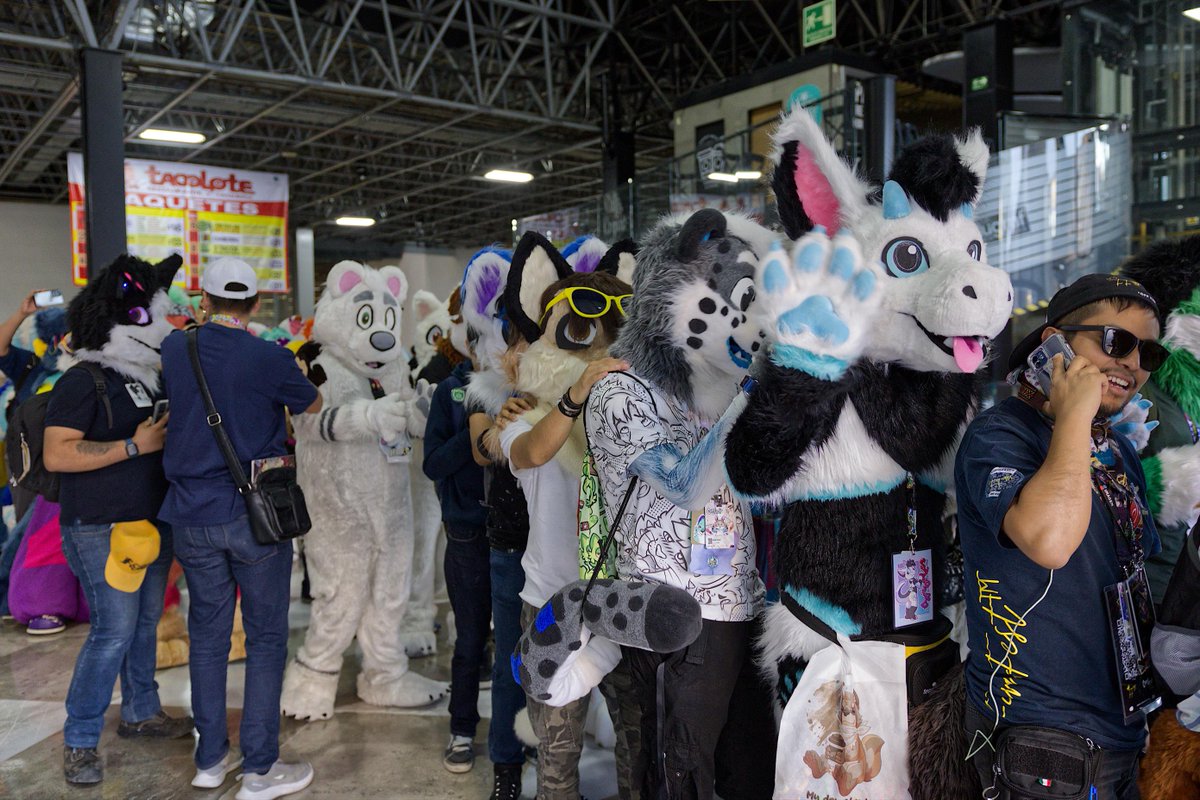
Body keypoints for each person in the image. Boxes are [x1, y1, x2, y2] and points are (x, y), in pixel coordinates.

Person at [957, 274, 1164, 799]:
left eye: (1148, 354)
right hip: (1039, 738)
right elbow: (1048, 540)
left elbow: (1137, 575)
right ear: (1055, 341)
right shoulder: (999, 437)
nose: (1133, 365)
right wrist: (1074, 411)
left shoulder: (1116, 451)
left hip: (1123, 732)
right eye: (1115, 342)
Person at [159, 257, 322, 800]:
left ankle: (210, 760)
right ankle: (259, 768)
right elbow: (311, 401)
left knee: (207, 637)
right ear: (255, 305)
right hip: (253, 517)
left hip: (188, 514)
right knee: (266, 638)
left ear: (203, 301)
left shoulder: (173, 349)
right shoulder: (267, 357)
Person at [43, 256, 194, 786]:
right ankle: (80, 739)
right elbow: (57, 454)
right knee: (113, 630)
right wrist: (135, 444)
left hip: (150, 525)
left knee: (144, 625)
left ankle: (141, 712)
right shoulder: (83, 382)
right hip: (99, 528)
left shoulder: (146, 380)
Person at [422, 353, 491, 775]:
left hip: (518, 535)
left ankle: (522, 733)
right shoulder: (451, 391)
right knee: (469, 641)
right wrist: (474, 430)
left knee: (526, 641)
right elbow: (433, 464)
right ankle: (462, 729)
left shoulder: (524, 384)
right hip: (466, 534)